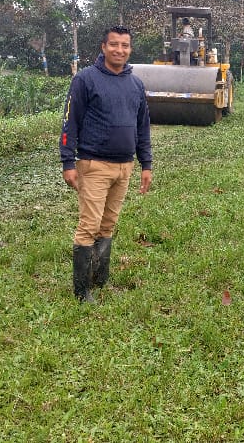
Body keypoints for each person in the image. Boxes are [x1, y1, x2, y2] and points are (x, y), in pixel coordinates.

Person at [60, 26, 153, 303]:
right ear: (103, 47)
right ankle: (82, 291)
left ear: (130, 49)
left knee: (108, 224)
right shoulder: (85, 80)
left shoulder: (136, 85)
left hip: (124, 167)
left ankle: (100, 279)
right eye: (114, 44)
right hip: (94, 165)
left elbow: (142, 127)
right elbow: (70, 122)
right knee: (89, 225)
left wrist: (146, 164)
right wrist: (68, 161)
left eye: (125, 45)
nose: (119, 50)